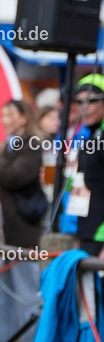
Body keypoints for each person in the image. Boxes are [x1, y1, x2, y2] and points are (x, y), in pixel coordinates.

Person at [0, 100, 44, 342]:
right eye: (2, 114)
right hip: (1, 232)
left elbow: (15, 176)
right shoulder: (6, 144)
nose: (4, 119)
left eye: (9, 114)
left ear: (22, 117)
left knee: (26, 292)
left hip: (23, 233)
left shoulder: (32, 144)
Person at [71, 74, 104, 256]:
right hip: (86, 232)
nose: (84, 108)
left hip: (100, 236)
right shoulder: (90, 136)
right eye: (79, 101)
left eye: (91, 101)